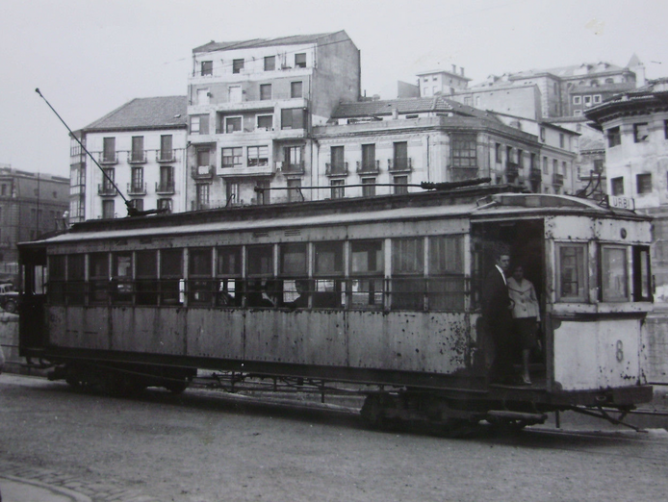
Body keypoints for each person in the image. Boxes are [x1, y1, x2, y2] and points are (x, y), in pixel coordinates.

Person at [481, 252, 515, 384]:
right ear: (498, 261)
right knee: (502, 347)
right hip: (497, 320)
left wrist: (508, 303)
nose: (507, 263)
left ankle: (500, 376)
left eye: (508, 261)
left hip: (502, 318)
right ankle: (498, 377)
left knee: (504, 347)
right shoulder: (493, 275)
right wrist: (489, 320)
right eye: (504, 261)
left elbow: (499, 297)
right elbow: (488, 299)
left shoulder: (501, 275)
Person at [507, 265, 540, 385]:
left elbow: (534, 301)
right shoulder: (507, 283)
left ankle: (525, 373)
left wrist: (538, 319)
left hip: (529, 317)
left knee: (528, 345)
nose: (518, 273)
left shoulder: (529, 284)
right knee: (519, 345)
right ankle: (520, 372)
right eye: (515, 270)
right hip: (516, 317)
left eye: (520, 271)